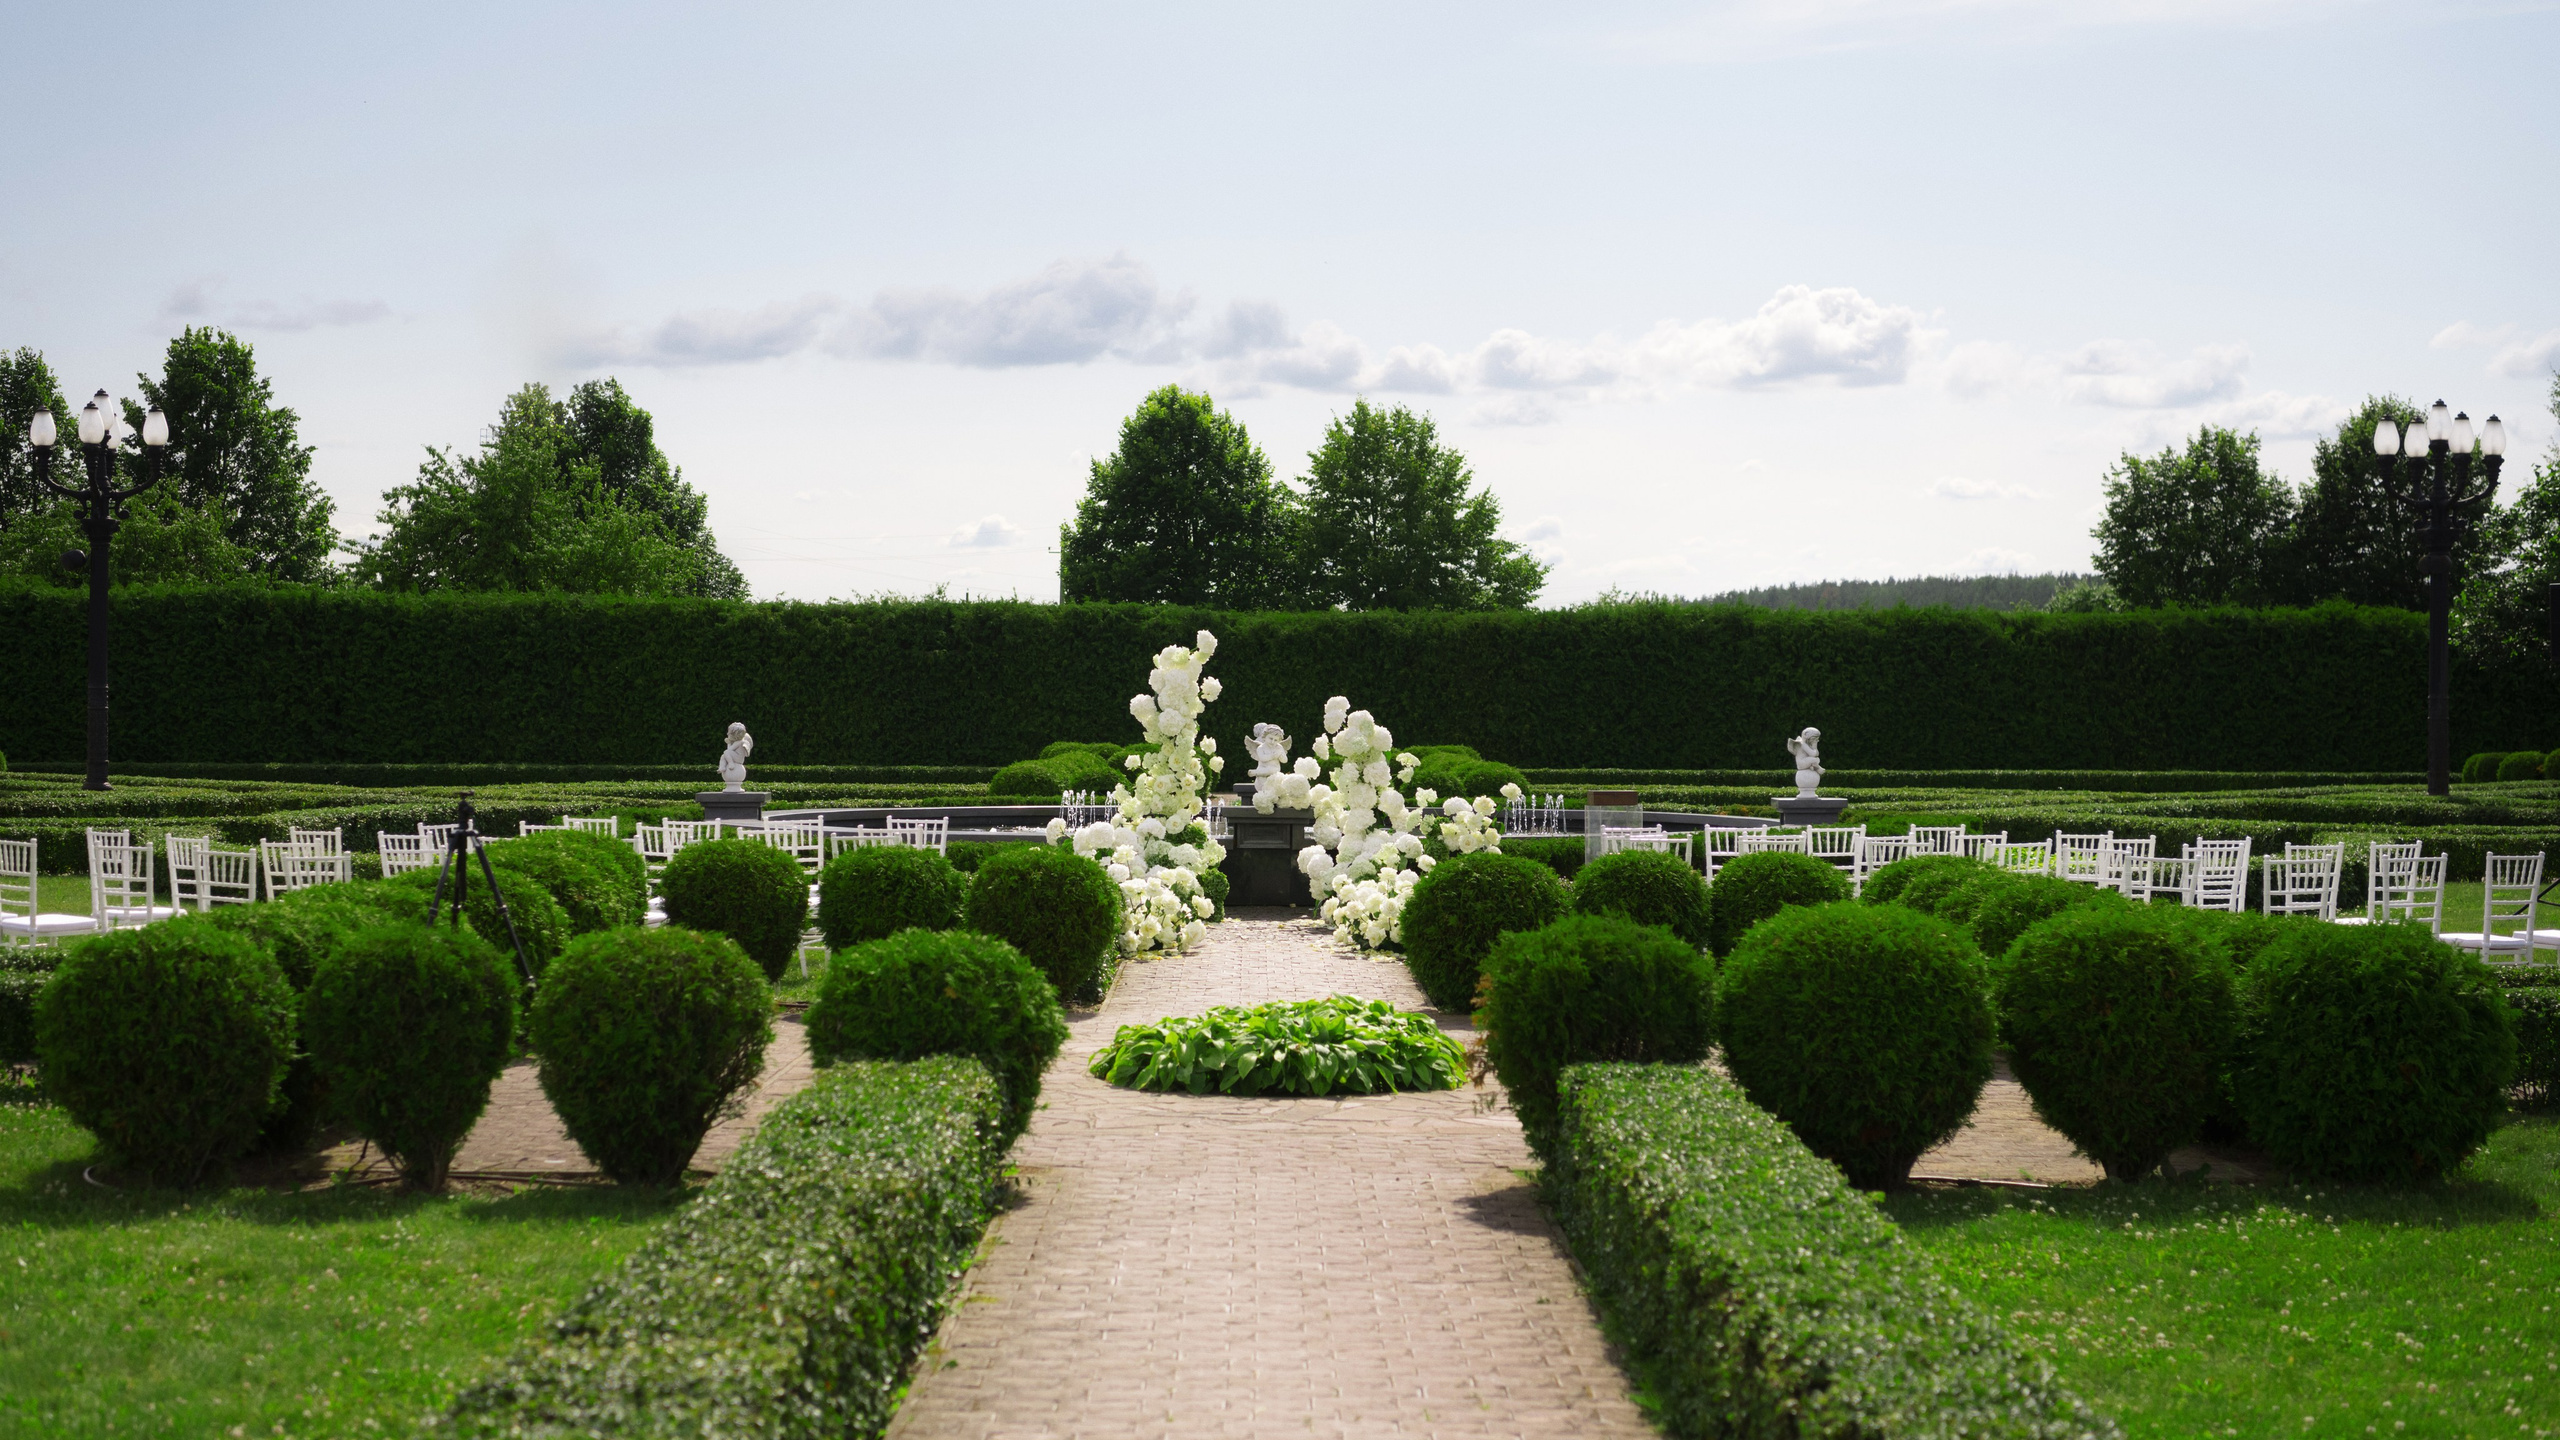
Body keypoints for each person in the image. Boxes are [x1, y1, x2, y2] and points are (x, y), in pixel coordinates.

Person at [718, 722, 754, 791]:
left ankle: (730, 763)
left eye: (730, 733)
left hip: (738, 758)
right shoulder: (738, 741)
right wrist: (729, 742)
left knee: (725, 753)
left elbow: (729, 750)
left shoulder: (739, 742)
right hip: (736, 757)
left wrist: (728, 743)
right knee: (723, 756)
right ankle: (722, 767)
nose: (728, 734)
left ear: (735, 735)